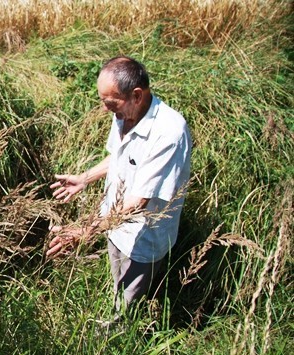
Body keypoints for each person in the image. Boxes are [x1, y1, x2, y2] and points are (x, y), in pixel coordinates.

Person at [47, 56, 192, 314]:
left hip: (142, 239)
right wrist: (84, 178)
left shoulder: (169, 133)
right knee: (116, 284)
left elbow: (138, 203)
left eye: (110, 103)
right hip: (113, 225)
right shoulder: (125, 114)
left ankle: (119, 337)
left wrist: (84, 231)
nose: (106, 110)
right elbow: (120, 156)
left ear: (136, 95)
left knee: (126, 306)